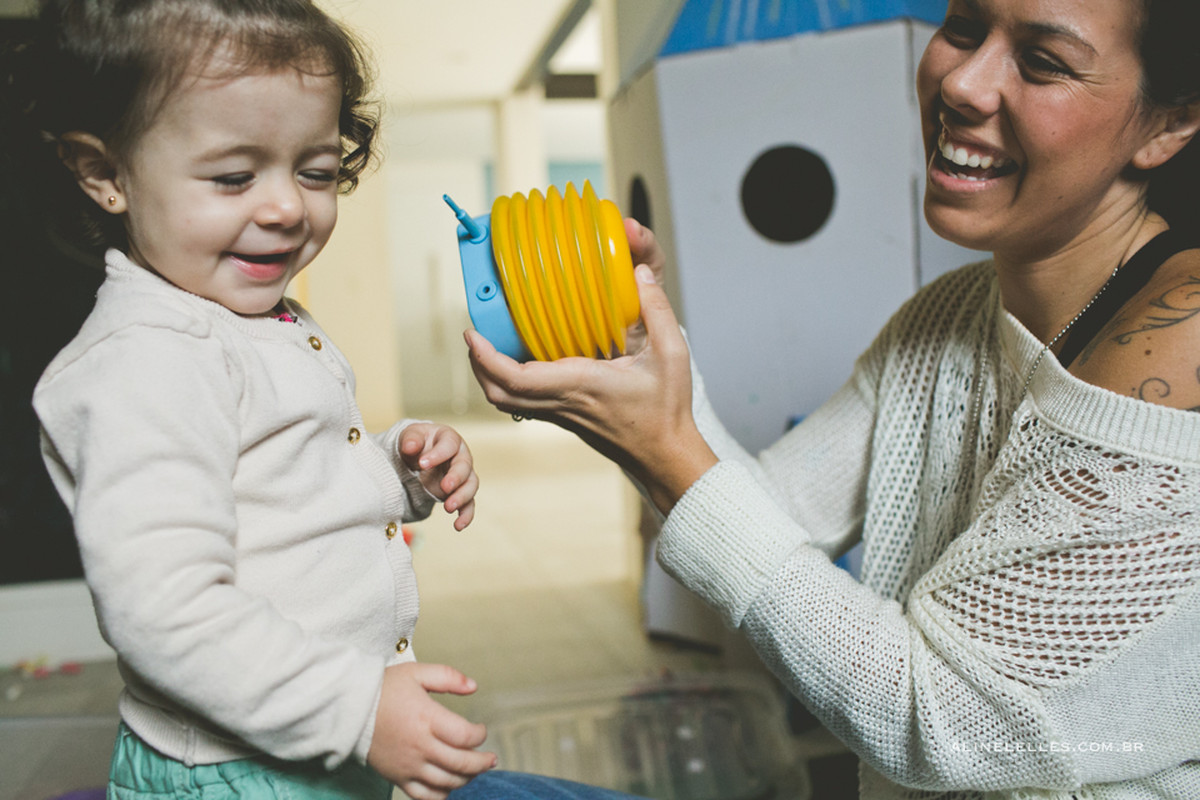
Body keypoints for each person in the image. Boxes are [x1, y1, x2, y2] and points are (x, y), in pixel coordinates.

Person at [461, 0, 1200, 798]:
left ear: (1166, 126)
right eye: (962, 27)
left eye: (1043, 62)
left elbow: (940, 719)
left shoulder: (1179, 343)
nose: (962, 81)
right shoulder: (947, 318)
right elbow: (770, 510)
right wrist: (642, 354)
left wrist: (667, 451)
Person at [15, 2, 497, 798]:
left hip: (313, 738)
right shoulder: (146, 362)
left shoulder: (246, 318)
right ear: (106, 174)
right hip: (239, 771)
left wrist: (397, 464)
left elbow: (282, 479)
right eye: (234, 176)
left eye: (314, 170)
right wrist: (358, 708)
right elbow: (169, 612)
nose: (284, 207)